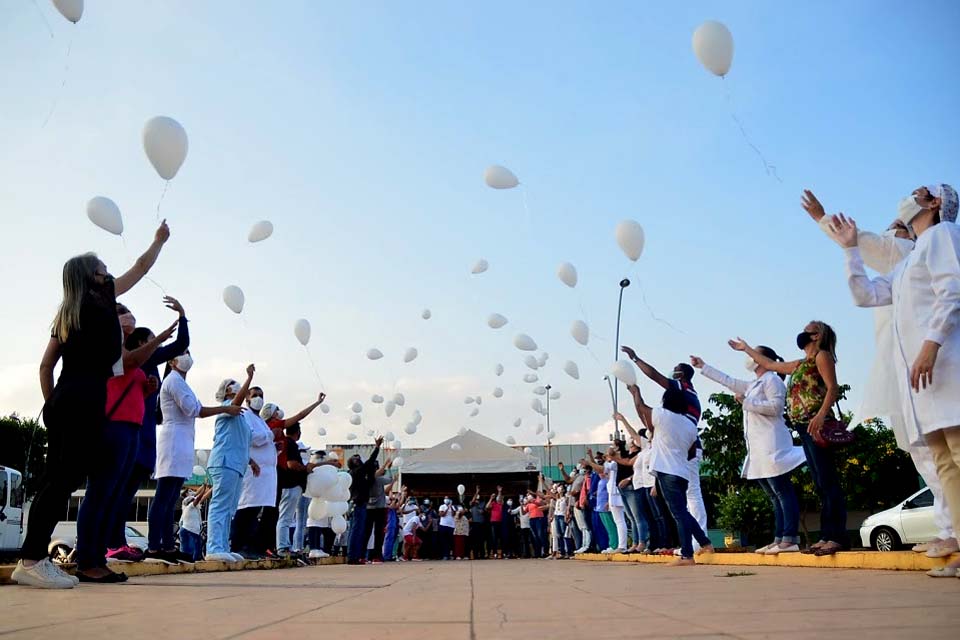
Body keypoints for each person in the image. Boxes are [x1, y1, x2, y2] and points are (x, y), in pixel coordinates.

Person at [15, 226, 171, 589]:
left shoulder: (68, 313)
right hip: (82, 403)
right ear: (92, 278)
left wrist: (51, 402)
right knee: (60, 483)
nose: (110, 275)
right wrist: (158, 243)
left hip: (69, 399)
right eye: (104, 270)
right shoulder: (98, 304)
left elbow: (45, 365)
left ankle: (41, 558)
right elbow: (140, 269)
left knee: (60, 482)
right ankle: (32, 560)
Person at [805, 190, 957, 558]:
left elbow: (952, 290)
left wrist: (930, 344)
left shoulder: (938, 236)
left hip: (941, 365)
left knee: (951, 453)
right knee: (939, 460)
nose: (911, 197)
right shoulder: (906, 263)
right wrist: (848, 251)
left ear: (936, 205)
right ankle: (953, 534)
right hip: (916, 376)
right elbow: (864, 294)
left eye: (925, 193)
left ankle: (951, 530)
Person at [730, 321, 847, 556]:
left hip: (817, 425)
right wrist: (747, 349)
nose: (803, 332)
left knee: (828, 482)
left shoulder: (822, 356)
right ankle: (826, 536)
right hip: (805, 427)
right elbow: (771, 364)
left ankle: (836, 536)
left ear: (818, 335)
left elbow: (832, 388)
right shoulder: (801, 363)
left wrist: (821, 416)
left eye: (809, 329)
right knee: (820, 483)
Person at [75, 324, 170, 580]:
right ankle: (86, 559)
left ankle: (97, 557)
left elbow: (137, 393)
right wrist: (165, 333)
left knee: (113, 495)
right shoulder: (117, 355)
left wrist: (149, 388)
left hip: (132, 430)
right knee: (100, 493)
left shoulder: (136, 365)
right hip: (113, 427)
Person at [691, 348, 807, 554]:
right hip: (758, 448)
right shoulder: (755, 383)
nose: (749, 358)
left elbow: (776, 408)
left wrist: (747, 402)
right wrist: (703, 366)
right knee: (774, 495)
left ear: (764, 360)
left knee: (782, 492)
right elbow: (729, 381)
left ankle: (789, 539)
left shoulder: (773, 380)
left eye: (754, 354)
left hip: (773, 444)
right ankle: (779, 538)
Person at [107, 296, 190, 563]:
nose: (159, 344)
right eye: (153, 340)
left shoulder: (150, 361)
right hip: (121, 427)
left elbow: (180, 344)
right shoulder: (119, 355)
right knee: (114, 489)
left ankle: (117, 542)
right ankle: (111, 542)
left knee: (127, 491)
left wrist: (182, 316)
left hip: (143, 434)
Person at [145, 354, 244, 566]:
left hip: (183, 441)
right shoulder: (172, 381)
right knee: (163, 495)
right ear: (171, 361)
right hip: (172, 440)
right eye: (182, 354)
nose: (186, 358)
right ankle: (154, 546)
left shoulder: (182, 383)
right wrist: (226, 408)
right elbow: (194, 410)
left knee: (172, 499)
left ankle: (168, 546)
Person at [621, 346, 708, 547]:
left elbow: (655, 377)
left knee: (689, 497)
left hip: (680, 448)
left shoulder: (681, 388)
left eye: (675, 371)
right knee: (683, 503)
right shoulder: (686, 401)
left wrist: (636, 359)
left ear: (681, 375)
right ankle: (700, 543)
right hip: (682, 446)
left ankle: (696, 544)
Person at [628, 384, 714, 566]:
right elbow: (691, 452)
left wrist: (636, 392)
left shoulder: (662, 415)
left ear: (666, 401)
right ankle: (705, 543)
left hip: (667, 472)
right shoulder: (690, 425)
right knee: (682, 511)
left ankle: (687, 555)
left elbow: (641, 408)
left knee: (679, 514)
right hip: (682, 472)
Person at [204, 366, 257, 563]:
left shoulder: (242, 416)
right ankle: (214, 547)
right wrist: (249, 378)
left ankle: (223, 546)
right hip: (224, 463)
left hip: (237, 465)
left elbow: (240, 441)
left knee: (229, 509)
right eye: (233, 384)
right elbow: (237, 402)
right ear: (227, 390)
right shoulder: (228, 408)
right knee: (220, 506)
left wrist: (251, 461)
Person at [233, 387, 279, 559]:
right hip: (253, 471)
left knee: (256, 510)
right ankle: (239, 545)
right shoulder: (245, 416)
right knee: (247, 508)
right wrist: (270, 436)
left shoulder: (259, 419)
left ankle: (255, 547)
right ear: (247, 398)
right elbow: (251, 438)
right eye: (255, 396)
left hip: (266, 474)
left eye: (261, 395)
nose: (258, 399)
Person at [347, 436, 384, 564]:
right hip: (358, 504)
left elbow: (370, 480)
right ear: (354, 464)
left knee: (357, 531)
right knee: (357, 531)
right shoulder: (356, 472)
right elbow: (369, 462)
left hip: (358, 504)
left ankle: (354, 556)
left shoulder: (358, 475)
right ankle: (353, 557)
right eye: (356, 459)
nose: (359, 459)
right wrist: (377, 447)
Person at [362, 459, 394, 564]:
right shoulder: (378, 479)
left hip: (368, 508)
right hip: (380, 508)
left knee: (366, 533)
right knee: (379, 533)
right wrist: (388, 468)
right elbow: (390, 479)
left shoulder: (365, 478)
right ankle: (377, 556)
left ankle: (362, 555)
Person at [179, 483, 211, 562]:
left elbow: (200, 497)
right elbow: (200, 497)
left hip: (189, 530)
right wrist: (205, 489)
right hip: (189, 530)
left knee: (187, 549)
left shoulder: (190, 506)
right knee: (194, 547)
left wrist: (204, 486)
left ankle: (191, 560)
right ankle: (194, 560)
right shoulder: (190, 506)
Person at [486, 486, 505, 559]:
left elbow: (500, 498)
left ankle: (502, 553)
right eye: (497, 498)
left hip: (501, 523)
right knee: (494, 538)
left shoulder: (501, 503)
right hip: (494, 523)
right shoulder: (493, 503)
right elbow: (487, 507)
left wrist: (499, 491)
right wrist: (491, 498)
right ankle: (494, 553)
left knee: (501, 538)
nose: (499, 499)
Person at [468, 487, 488, 559]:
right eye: (476, 497)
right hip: (474, 524)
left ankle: (482, 555)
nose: (477, 499)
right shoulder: (472, 504)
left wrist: (480, 509)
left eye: (478, 497)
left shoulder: (483, 503)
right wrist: (476, 492)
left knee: (481, 540)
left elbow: (483, 511)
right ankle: (475, 555)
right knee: (475, 540)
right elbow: (471, 502)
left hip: (481, 524)